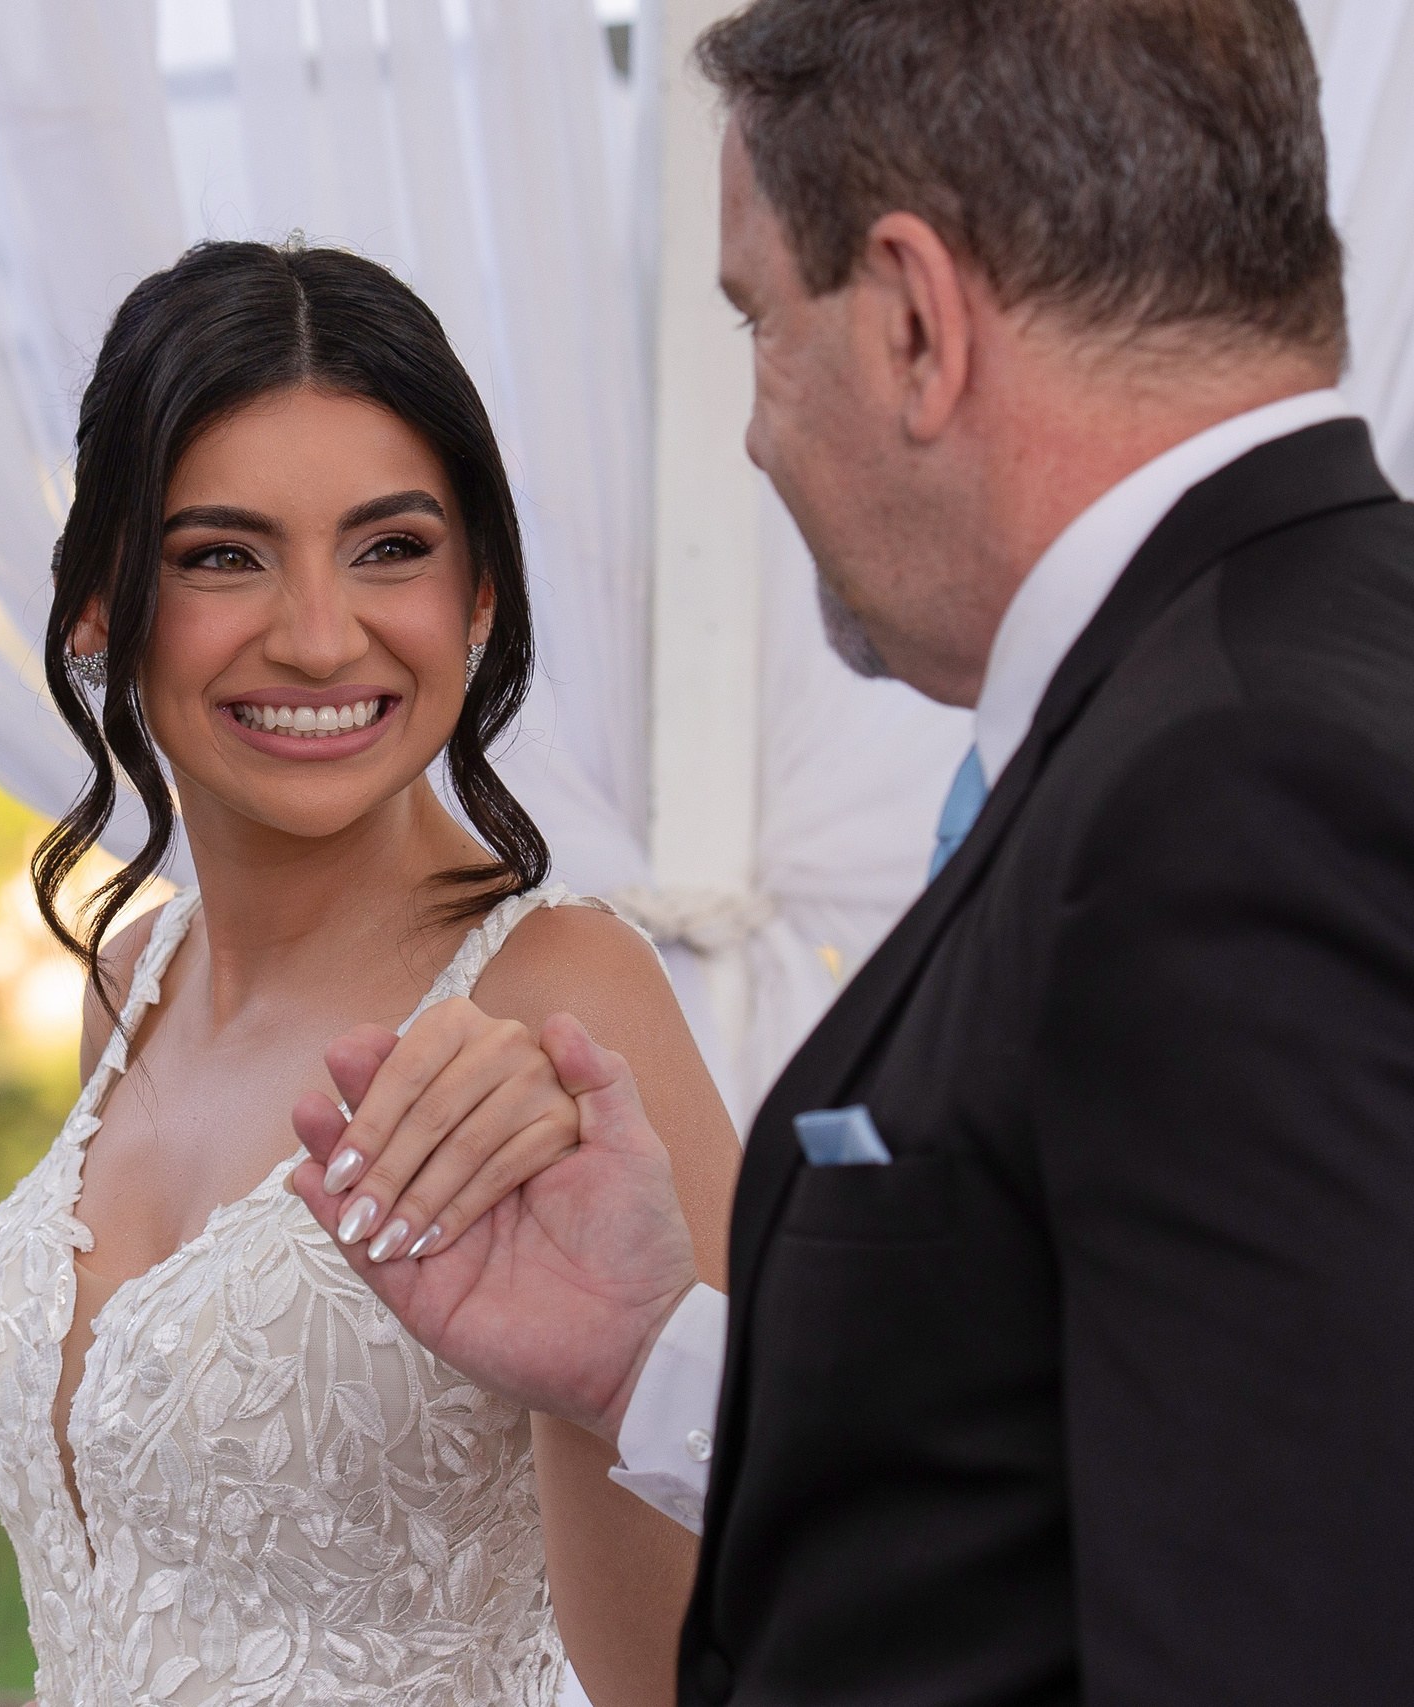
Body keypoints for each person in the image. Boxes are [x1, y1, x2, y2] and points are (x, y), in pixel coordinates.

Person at [293, 1, 1414, 1702]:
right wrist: (646, 1358)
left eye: (755, 319)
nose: (748, 435)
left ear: (910, 321)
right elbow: (1090, 1456)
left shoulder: (1229, 796)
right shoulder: (1305, 678)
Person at [0, 240, 741, 1707]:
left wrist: (603, 1381)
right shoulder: (134, 977)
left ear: (480, 594)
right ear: (103, 610)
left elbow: (734, 1648)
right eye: (222, 556)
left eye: (391, 549)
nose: (318, 636)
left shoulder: (565, 1001)